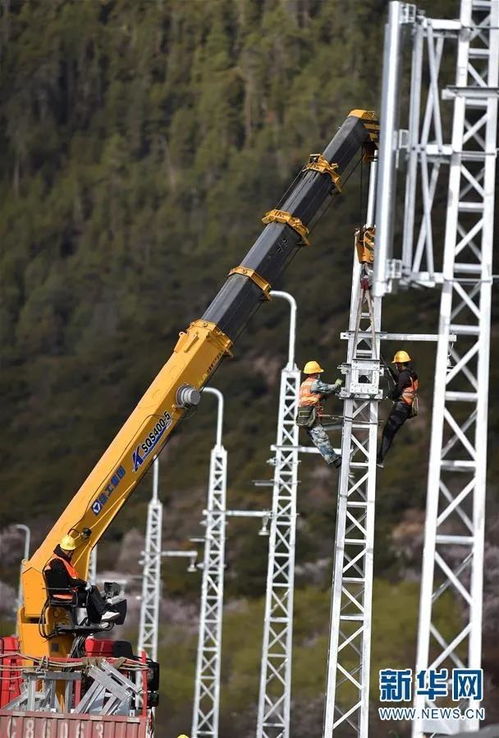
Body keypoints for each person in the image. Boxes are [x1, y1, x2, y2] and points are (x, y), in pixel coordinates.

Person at [43, 535, 119, 623]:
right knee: (92, 590)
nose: (72, 553)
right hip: (64, 594)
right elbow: (68, 581)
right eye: (71, 551)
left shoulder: (57, 561)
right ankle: (103, 613)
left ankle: (96, 619)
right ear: (67, 550)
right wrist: (84, 584)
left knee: (90, 593)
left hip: (64, 592)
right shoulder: (57, 563)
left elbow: (66, 581)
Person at [297, 360, 343, 468]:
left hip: (304, 416)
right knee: (321, 439)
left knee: (317, 440)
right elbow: (327, 388)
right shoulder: (315, 383)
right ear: (316, 373)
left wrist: (324, 396)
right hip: (310, 416)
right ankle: (335, 460)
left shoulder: (304, 383)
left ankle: (332, 459)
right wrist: (337, 384)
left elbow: (312, 397)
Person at [377, 350, 419, 468]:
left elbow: (398, 389)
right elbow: (402, 383)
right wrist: (390, 372)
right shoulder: (411, 374)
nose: (396, 366)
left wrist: (391, 395)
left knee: (387, 432)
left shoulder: (404, 375)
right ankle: (379, 457)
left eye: (396, 364)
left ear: (400, 364)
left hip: (402, 407)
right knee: (390, 433)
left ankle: (380, 458)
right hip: (406, 408)